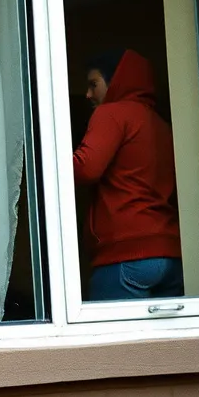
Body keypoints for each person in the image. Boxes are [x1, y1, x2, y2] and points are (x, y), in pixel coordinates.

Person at [73, 49, 183, 301]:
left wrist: (47, 162)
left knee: (112, 339)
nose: (88, 94)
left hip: (126, 254)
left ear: (117, 81)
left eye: (93, 84)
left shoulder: (112, 113)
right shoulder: (160, 124)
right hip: (170, 253)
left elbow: (85, 168)